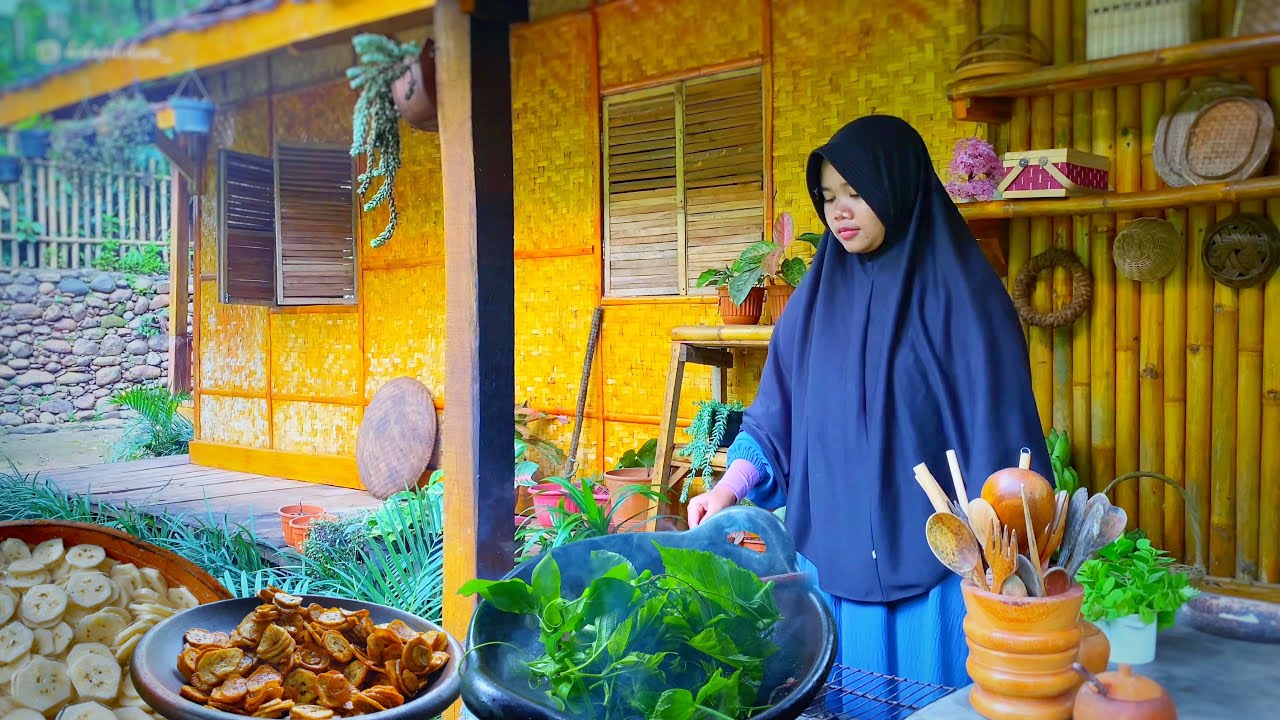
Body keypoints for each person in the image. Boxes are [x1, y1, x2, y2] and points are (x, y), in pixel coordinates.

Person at [687, 115, 1050, 688]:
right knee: (837, 694)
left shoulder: (966, 300)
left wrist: (1005, 552)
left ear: (898, 187)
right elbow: (776, 414)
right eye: (829, 197)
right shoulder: (811, 307)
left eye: (857, 193)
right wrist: (727, 487)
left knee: (929, 696)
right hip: (829, 562)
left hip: (939, 568)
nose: (840, 211)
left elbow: (1002, 433)